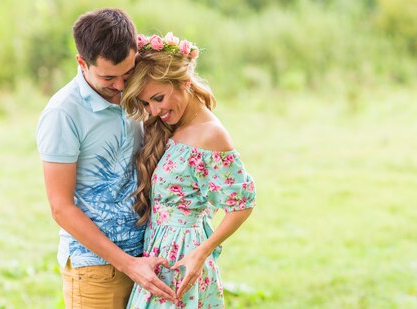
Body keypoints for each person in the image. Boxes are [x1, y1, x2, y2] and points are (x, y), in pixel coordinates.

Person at [36, 9, 177, 308]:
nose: (121, 86)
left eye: (127, 73)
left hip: (148, 255)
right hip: (98, 269)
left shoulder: (138, 91)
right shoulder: (63, 113)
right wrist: (128, 264)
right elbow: (61, 208)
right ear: (82, 63)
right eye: (108, 77)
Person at [120, 32, 257, 308]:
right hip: (158, 252)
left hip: (182, 258)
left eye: (158, 98)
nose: (154, 110)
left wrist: (201, 253)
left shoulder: (210, 135)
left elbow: (242, 203)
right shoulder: (177, 126)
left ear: (183, 82)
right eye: (146, 103)